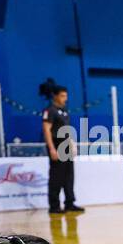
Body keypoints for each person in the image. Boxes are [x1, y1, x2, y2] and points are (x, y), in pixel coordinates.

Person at [41, 85, 81, 213]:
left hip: (66, 146)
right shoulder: (50, 110)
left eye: (66, 96)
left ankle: (69, 202)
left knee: (69, 175)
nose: (65, 98)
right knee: (56, 176)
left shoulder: (64, 111)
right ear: (55, 96)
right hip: (57, 146)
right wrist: (52, 148)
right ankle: (54, 205)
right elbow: (46, 129)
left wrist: (72, 144)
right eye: (63, 96)